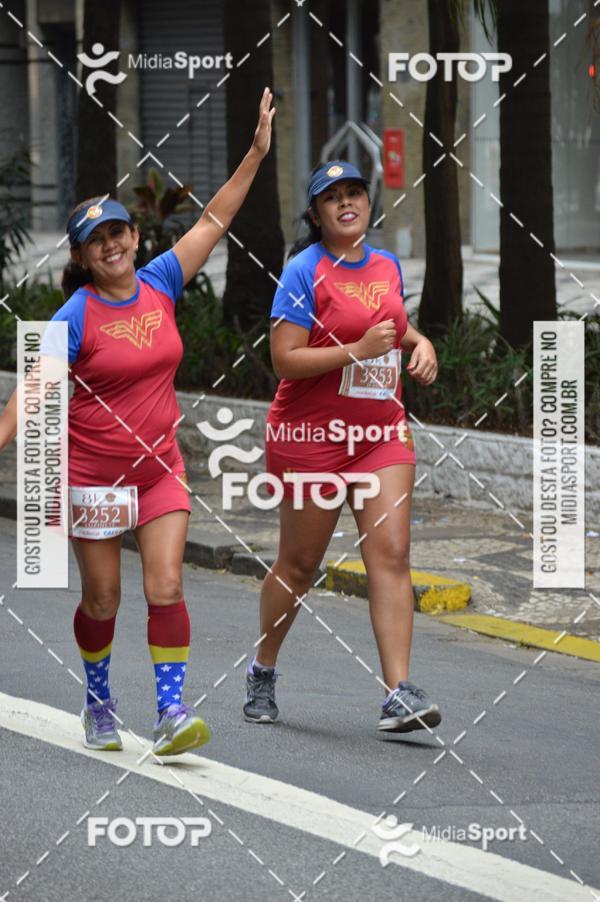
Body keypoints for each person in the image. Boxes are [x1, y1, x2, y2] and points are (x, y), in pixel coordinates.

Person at [0, 88, 275, 755]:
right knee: (102, 600)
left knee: (167, 583)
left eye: (119, 232)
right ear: (82, 258)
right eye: (98, 241)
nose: (113, 245)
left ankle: (171, 712)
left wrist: (257, 153)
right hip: (94, 477)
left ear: (134, 236)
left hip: (158, 473)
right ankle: (98, 699)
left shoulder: (161, 280)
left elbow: (214, 218)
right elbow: (31, 392)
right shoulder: (73, 318)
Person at [243, 160, 441, 734]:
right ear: (316, 214)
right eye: (333, 198)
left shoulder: (385, 265)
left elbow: (393, 326)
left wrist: (420, 342)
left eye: (355, 192)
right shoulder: (304, 272)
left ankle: (397, 693)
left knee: (392, 553)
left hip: (379, 433)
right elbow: (285, 359)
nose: (347, 202)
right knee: (300, 564)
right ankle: (263, 668)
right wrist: (356, 349)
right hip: (311, 437)